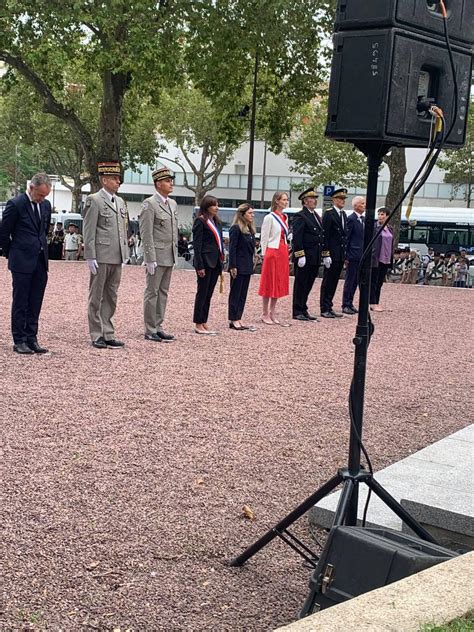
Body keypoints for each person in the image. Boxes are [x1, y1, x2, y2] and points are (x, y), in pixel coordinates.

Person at [0, 172, 52, 354]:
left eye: (45, 196)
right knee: (21, 301)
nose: (41, 199)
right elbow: (3, 234)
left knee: (35, 301)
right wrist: (11, 254)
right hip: (21, 260)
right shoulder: (16, 205)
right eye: (39, 195)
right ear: (31, 188)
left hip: (39, 260)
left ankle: (32, 337)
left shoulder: (46, 205)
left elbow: (44, 230)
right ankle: (19, 339)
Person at [83, 161, 128, 349]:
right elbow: (89, 229)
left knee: (111, 296)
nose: (118, 181)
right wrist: (90, 255)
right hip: (101, 255)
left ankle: (108, 331)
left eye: (118, 178)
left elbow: (122, 229)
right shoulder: (94, 200)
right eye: (114, 178)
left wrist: (124, 252)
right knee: (96, 295)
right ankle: (96, 333)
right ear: (104, 180)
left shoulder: (120, 201)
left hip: (116, 255)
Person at [139, 166, 179, 342]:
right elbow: (146, 233)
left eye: (171, 181)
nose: (171, 184)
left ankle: (158, 325)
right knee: (152, 292)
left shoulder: (172, 204)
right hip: (156, 255)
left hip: (168, 254)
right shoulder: (150, 204)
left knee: (163, 292)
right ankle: (150, 328)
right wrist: (149, 258)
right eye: (168, 181)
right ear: (158, 184)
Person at [192, 196, 224, 335]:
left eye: (217, 205)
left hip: (215, 261)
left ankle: (204, 320)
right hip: (205, 261)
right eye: (213, 205)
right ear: (206, 206)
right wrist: (199, 266)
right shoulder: (201, 222)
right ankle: (198, 322)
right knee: (202, 293)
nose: (216, 207)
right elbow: (197, 245)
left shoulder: (216, 222)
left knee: (209, 294)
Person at [258, 191, 291, 326]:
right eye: (283, 199)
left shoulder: (285, 217)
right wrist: (264, 254)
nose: (286, 202)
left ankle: (272, 311)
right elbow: (264, 237)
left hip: (282, 251)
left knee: (278, 282)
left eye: (286, 199)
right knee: (269, 282)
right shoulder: (270, 217)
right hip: (272, 251)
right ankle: (265, 312)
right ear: (277, 201)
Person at [291, 187, 324, 321]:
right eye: (312, 199)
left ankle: (303, 308)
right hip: (305, 256)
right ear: (305, 201)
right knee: (301, 283)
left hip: (314, 256)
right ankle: (297, 310)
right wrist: (300, 254)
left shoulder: (315, 215)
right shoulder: (300, 216)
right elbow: (297, 237)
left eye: (315, 198)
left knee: (308, 283)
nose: (315, 201)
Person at [320, 187, 349, 318]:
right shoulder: (329, 214)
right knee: (328, 281)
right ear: (334, 200)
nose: (343, 201)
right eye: (340, 199)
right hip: (331, 253)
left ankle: (329, 306)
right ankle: (324, 307)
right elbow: (325, 235)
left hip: (340, 254)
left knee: (334, 281)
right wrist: (326, 254)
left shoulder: (343, 214)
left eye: (344, 199)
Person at [228, 203, 256, 330]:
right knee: (236, 293)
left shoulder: (249, 229)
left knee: (243, 293)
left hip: (247, 265)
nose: (252, 215)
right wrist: (232, 266)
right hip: (238, 265)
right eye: (250, 213)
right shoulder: (236, 228)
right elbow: (232, 248)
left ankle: (238, 317)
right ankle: (233, 318)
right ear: (242, 214)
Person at [341, 195, 366, 315]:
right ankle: (345, 303)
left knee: (356, 281)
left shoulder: (363, 220)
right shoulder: (351, 219)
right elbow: (347, 238)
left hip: (361, 255)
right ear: (355, 206)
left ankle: (350, 303)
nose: (364, 205)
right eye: (362, 203)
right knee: (350, 280)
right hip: (352, 254)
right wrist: (346, 256)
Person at [370, 207, 394, 312]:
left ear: (387, 216)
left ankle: (377, 301)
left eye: (383, 214)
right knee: (374, 281)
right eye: (379, 214)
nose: (380, 216)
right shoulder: (374, 227)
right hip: (376, 258)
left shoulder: (390, 228)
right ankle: (372, 302)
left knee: (380, 282)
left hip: (386, 258)